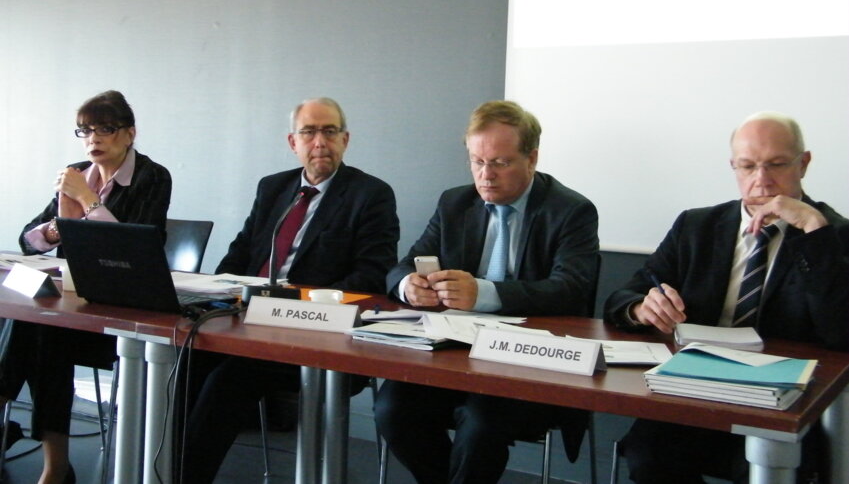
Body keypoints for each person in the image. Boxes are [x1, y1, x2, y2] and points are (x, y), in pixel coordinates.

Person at [604, 111, 849, 484]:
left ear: (804, 164)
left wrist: (813, 229)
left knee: (768, 466)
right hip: (697, 393)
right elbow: (623, 297)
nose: (761, 180)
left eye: (777, 164)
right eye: (748, 166)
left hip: (786, 404)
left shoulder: (834, 236)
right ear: (733, 167)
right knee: (647, 453)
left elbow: (841, 333)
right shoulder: (696, 226)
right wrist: (641, 308)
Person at [374, 100, 599, 484]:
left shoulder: (570, 211)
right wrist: (407, 286)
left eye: (500, 163)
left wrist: (484, 294)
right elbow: (405, 264)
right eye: (477, 162)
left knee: (480, 425)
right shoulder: (455, 203)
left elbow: (571, 290)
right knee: (392, 410)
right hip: (453, 356)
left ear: (532, 158)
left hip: (527, 362)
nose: (486, 175)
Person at [180, 97, 399, 484]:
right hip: (245, 321)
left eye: (329, 131)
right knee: (182, 361)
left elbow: (371, 276)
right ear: (292, 142)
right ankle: (160, 469)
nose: (320, 142)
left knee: (229, 379)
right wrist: (222, 289)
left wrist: (292, 303)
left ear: (345, 139)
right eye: (309, 132)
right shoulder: (273, 188)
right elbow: (240, 254)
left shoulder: (370, 194)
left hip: (315, 333)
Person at [0, 90, 171, 484]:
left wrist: (88, 200)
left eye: (105, 129)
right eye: (86, 130)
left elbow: (134, 250)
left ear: (130, 134)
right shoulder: (77, 172)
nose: (94, 139)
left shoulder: (152, 176)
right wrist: (59, 226)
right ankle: (56, 468)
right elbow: (28, 239)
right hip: (70, 308)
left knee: (40, 328)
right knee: (36, 323)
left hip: (121, 314)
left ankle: (54, 466)